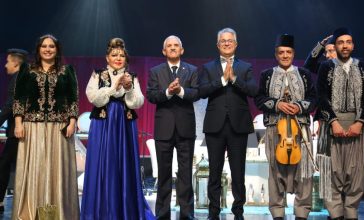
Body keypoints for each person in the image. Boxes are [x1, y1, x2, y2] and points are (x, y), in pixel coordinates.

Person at [81, 38, 154, 220]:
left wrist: (129, 89)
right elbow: (94, 98)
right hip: (103, 125)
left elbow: (137, 102)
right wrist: (113, 87)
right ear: (107, 58)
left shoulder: (132, 77)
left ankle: (125, 209)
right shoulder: (98, 75)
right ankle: (101, 210)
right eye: (114, 55)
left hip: (124, 125)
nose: (118, 58)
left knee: (124, 163)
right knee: (102, 162)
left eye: (122, 55)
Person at [12, 34, 79, 219]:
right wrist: (18, 123)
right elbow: (19, 98)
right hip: (33, 126)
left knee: (58, 171)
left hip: (59, 127)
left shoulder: (67, 71)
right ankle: (31, 211)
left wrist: (72, 121)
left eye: (51, 46)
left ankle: (57, 213)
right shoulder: (27, 69)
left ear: (57, 50)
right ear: (38, 49)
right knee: (35, 168)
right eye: (44, 46)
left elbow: (73, 99)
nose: (48, 49)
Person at [255, 34, 316, 220]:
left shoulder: (304, 74)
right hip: (276, 130)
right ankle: (278, 213)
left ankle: (301, 213)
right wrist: (277, 104)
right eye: (281, 52)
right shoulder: (267, 74)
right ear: (276, 54)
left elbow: (314, 99)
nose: (285, 55)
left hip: (301, 129)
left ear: (293, 53)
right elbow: (258, 99)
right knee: (275, 173)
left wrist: (299, 106)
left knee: (305, 172)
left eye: (288, 52)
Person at [199, 27, 258, 220]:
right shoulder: (208, 68)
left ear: (236, 44)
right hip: (215, 126)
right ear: (217, 45)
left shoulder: (245, 67)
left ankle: (238, 212)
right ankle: (213, 212)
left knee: (238, 172)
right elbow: (202, 91)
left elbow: (253, 90)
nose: (226, 43)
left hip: (238, 126)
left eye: (229, 40)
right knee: (214, 172)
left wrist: (234, 79)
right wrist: (222, 81)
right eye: (223, 41)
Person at [316, 27, 364, 220]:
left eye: (348, 42)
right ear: (336, 45)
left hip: (356, 126)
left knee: (356, 174)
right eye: (341, 42)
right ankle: (335, 215)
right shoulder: (326, 67)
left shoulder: (363, 67)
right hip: (331, 127)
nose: (345, 45)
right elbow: (321, 95)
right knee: (329, 174)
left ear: (353, 45)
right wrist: (333, 121)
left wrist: (360, 122)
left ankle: (351, 213)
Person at [146, 35, 199, 220]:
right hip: (164, 130)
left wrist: (181, 91)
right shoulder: (155, 71)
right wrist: (168, 91)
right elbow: (151, 96)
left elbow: (196, 93)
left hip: (185, 129)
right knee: (164, 175)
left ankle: (187, 215)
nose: (173, 48)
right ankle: (162, 215)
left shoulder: (192, 70)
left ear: (182, 50)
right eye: (169, 46)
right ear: (164, 51)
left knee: (185, 175)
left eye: (176, 45)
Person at [0, 48, 28, 214]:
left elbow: (11, 105)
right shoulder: (21, 78)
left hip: (18, 131)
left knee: (5, 164)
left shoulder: (19, 78)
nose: (5, 65)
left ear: (16, 63)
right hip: (16, 129)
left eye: (8, 61)